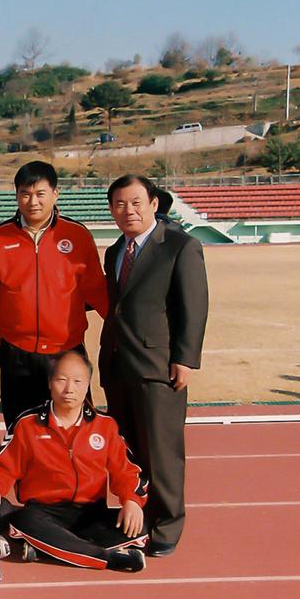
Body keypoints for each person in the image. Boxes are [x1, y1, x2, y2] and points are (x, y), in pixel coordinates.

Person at [100, 174, 208, 557]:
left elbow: (192, 308)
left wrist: (185, 358)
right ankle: (138, 518)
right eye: (119, 204)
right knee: (128, 451)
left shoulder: (180, 246)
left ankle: (167, 525)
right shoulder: (115, 251)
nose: (127, 211)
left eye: (135, 203)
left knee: (161, 451)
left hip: (158, 367)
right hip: (117, 365)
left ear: (154, 204)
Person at [0, 350, 149, 572]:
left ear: (87, 384)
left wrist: (131, 501)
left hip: (91, 514)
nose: (69, 389)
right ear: (50, 382)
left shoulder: (105, 426)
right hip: (44, 513)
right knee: (22, 521)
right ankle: (108, 558)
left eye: (78, 381)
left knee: (139, 527)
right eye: (61, 380)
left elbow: (127, 471)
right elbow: (3, 467)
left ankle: (46, 549)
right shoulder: (27, 424)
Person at [0, 160, 108, 427]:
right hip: (17, 354)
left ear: (55, 194)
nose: (32, 201)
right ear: (16, 196)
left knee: (74, 430)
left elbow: (98, 291)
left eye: (40, 193)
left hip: (66, 351)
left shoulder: (77, 235)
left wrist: (124, 334)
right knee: (21, 430)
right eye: (25, 194)